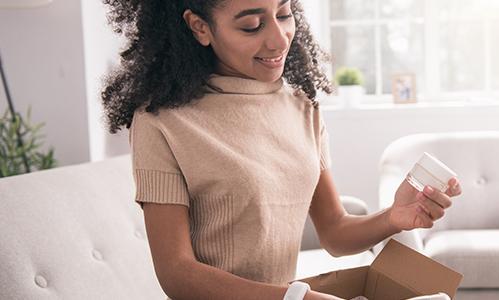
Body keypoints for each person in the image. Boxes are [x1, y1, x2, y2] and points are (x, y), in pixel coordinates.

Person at [100, 1, 462, 299]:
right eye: (252, 26)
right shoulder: (161, 122)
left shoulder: (302, 106)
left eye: (284, 13)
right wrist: (295, 298)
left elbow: (334, 231)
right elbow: (177, 274)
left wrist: (394, 217)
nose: (279, 40)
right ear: (200, 27)